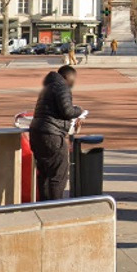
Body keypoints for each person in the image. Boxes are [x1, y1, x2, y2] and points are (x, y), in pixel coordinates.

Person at [28, 65, 86, 200]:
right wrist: (79, 110)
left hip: (38, 132)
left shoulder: (48, 86)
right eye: (73, 79)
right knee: (58, 175)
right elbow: (67, 111)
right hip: (52, 135)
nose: (74, 82)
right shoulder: (61, 87)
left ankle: (44, 205)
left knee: (44, 174)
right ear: (67, 77)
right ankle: (55, 207)